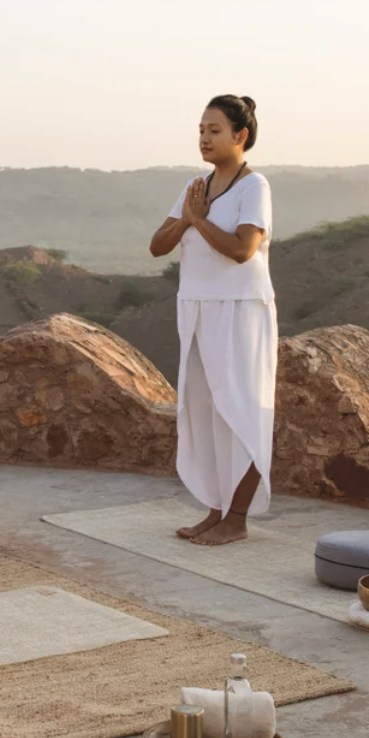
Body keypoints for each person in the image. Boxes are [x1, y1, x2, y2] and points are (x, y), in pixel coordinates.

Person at [148, 95, 275, 545]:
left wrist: (197, 222)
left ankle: (237, 520)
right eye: (201, 129)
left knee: (239, 410)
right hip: (198, 308)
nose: (204, 138)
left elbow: (243, 250)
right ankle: (217, 510)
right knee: (206, 410)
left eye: (215, 130)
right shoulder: (194, 186)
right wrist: (187, 218)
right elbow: (157, 246)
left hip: (241, 311)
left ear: (240, 136)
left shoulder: (253, 186)